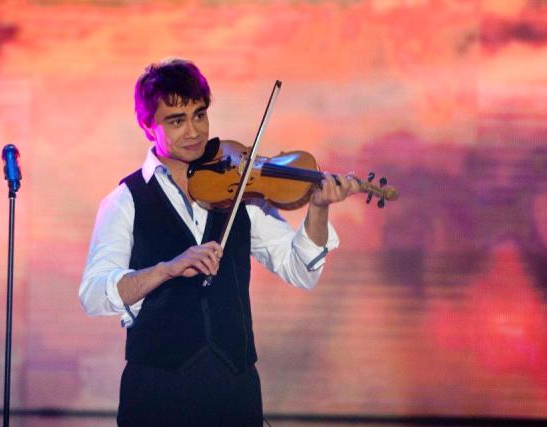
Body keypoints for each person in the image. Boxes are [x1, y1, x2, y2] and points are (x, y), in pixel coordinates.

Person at [79, 58, 359, 427]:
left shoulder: (241, 186)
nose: (194, 131)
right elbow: (94, 294)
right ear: (148, 127)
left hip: (233, 390)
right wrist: (166, 269)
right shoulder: (125, 200)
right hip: (157, 394)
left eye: (200, 114)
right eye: (176, 121)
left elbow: (300, 271)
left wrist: (318, 209)